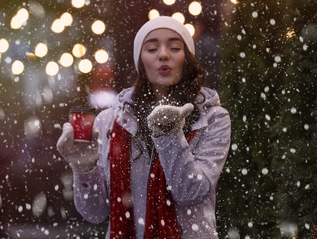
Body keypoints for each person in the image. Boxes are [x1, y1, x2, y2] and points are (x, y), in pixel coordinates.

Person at [57, 16, 231, 238]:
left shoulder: (212, 118)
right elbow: (95, 213)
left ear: (187, 58)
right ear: (140, 60)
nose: (163, 54)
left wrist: (169, 135)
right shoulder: (110, 122)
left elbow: (190, 192)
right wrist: (84, 167)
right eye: (151, 48)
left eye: (175, 47)